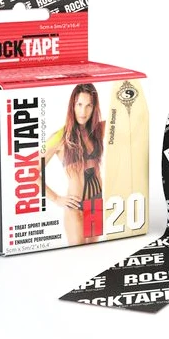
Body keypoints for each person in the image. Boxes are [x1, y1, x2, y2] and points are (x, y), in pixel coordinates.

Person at [42, 84, 105, 245]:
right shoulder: (59, 137)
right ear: (72, 106)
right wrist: (56, 198)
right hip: (75, 206)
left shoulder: (99, 130)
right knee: (78, 253)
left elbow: (125, 120)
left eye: (89, 105)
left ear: (94, 107)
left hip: (96, 203)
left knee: (94, 252)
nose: (83, 111)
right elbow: (31, 170)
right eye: (79, 104)